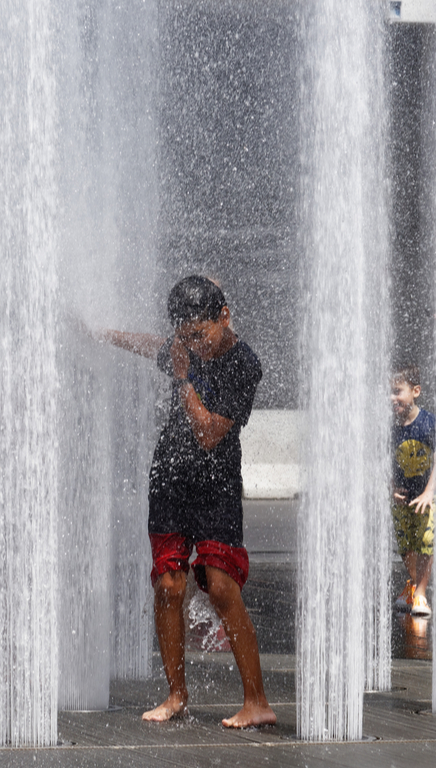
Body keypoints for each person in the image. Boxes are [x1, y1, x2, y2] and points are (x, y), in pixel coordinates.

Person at [99, 275, 276, 728]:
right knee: (168, 585)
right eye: (185, 337)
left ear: (224, 317)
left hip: (215, 484)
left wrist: (183, 380)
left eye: (200, 334)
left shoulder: (244, 364)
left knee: (219, 585)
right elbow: (147, 344)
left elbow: (211, 432)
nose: (193, 345)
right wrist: (101, 332)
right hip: (170, 478)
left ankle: (256, 701)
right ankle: (176, 694)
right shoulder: (183, 346)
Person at [390, 364, 436, 616]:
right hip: (402, 499)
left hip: (427, 497)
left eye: (398, 391)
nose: (392, 398)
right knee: (405, 544)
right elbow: (384, 461)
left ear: (416, 391)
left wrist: (430, 491)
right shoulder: (391, 427)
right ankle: (412, 585)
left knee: (426, 542)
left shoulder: (429, 422)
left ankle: (420, 592)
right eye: (389, 392)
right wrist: (390, 488)